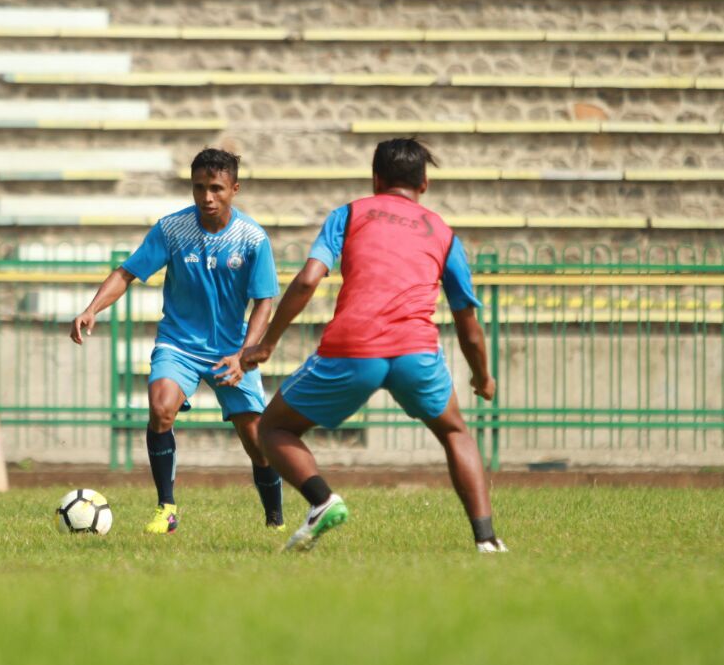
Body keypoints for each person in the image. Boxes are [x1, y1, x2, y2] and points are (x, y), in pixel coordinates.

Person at [241, 138, 507, 554]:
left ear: (376, 179)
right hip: (415, 353)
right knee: (455, 431)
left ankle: (322, 501)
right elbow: (467, 323)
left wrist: (267, 342)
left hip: (354, 348)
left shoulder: (349, 213)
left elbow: (309, 280)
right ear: (425, 183)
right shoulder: (443, 233)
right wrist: (483, 376)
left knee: (272, 427)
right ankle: (487, 539)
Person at [71, 148, 284, 533]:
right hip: (179, 345)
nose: (207, 197)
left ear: (234, 189)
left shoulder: (252, 238)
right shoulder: (172, 229)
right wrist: (92, 308)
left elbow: (264, 303)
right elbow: (126, 273)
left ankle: (274, 518)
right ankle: (166, 509)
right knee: (160, 408)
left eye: (216, 188)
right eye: (199, 187)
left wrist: (244, 355)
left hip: (232, 351)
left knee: (257, 443)